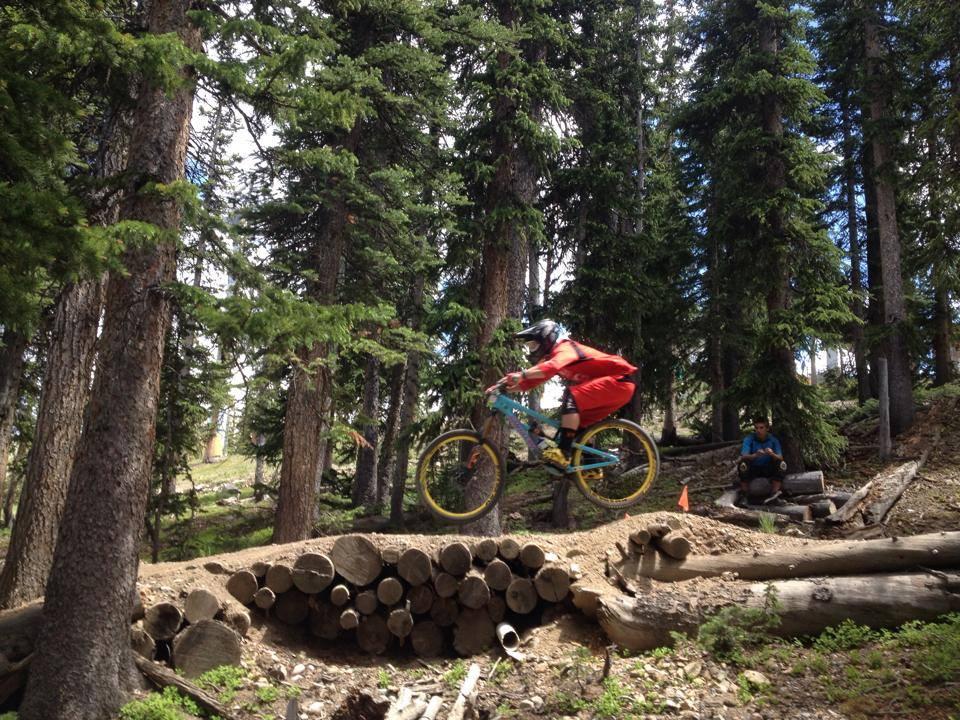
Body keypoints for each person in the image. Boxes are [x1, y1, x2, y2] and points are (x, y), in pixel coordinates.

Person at [497, 320, 637, 471]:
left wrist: (522, 374)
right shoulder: (553, 357)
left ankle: (563, 454)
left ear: (546, 340)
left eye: (533, 345)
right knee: (577, 426)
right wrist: (505, 389)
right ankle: (592, 465)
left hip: (619, 381)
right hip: (618, 388)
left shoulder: (565, 348)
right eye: (529, 347)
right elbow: (533, 381)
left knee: (572, 396)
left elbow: (551, 367)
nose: (532, 350)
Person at [736, 416, 787, 506]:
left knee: (782, 464)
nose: (758, 430)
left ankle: (774, 495)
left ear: (767, 429)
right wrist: (755, 455)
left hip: (768, 469)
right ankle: (744, 496)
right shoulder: (749, 439)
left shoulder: (773, 440)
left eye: (761, 428)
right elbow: (744, 456)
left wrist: (772, 454)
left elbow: (780, 457)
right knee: (743, 464)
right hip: (754, 469)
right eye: (756, 428)